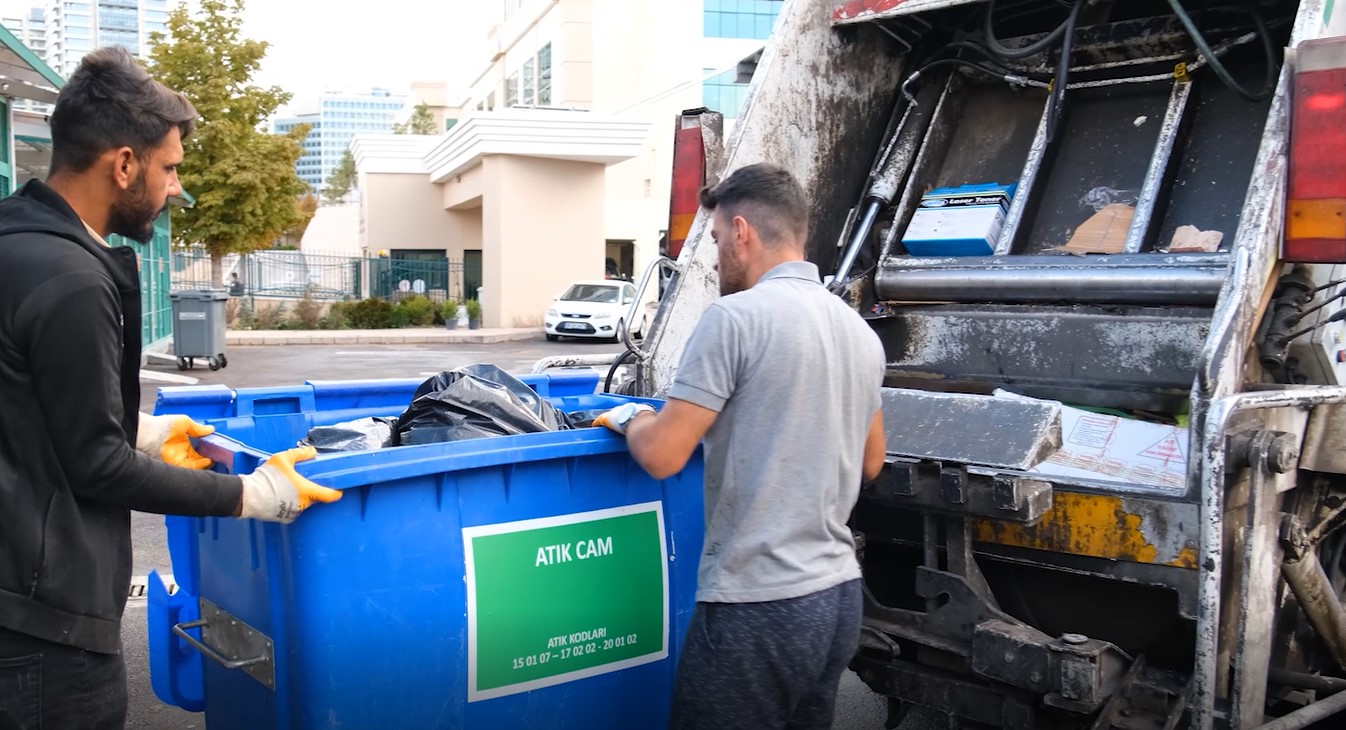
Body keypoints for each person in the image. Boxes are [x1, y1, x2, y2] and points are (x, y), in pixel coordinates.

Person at [0, 47, 342, 730]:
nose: (176, 187)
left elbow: (26, 407)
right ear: (123, 164)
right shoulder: (72, 279)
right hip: (47, 633)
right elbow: (94, 466)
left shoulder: (15, 242)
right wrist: (250, 494)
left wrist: (139, 431)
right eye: (169, 167)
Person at [596, 163, 888, 729]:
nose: (714, 258)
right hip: (836, 599)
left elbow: (662, 454)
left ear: (741, 231)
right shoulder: (857, 330)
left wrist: (630, 418)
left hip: (758, 606)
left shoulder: (734, 318)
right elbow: (871, 461)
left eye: (714, 241)